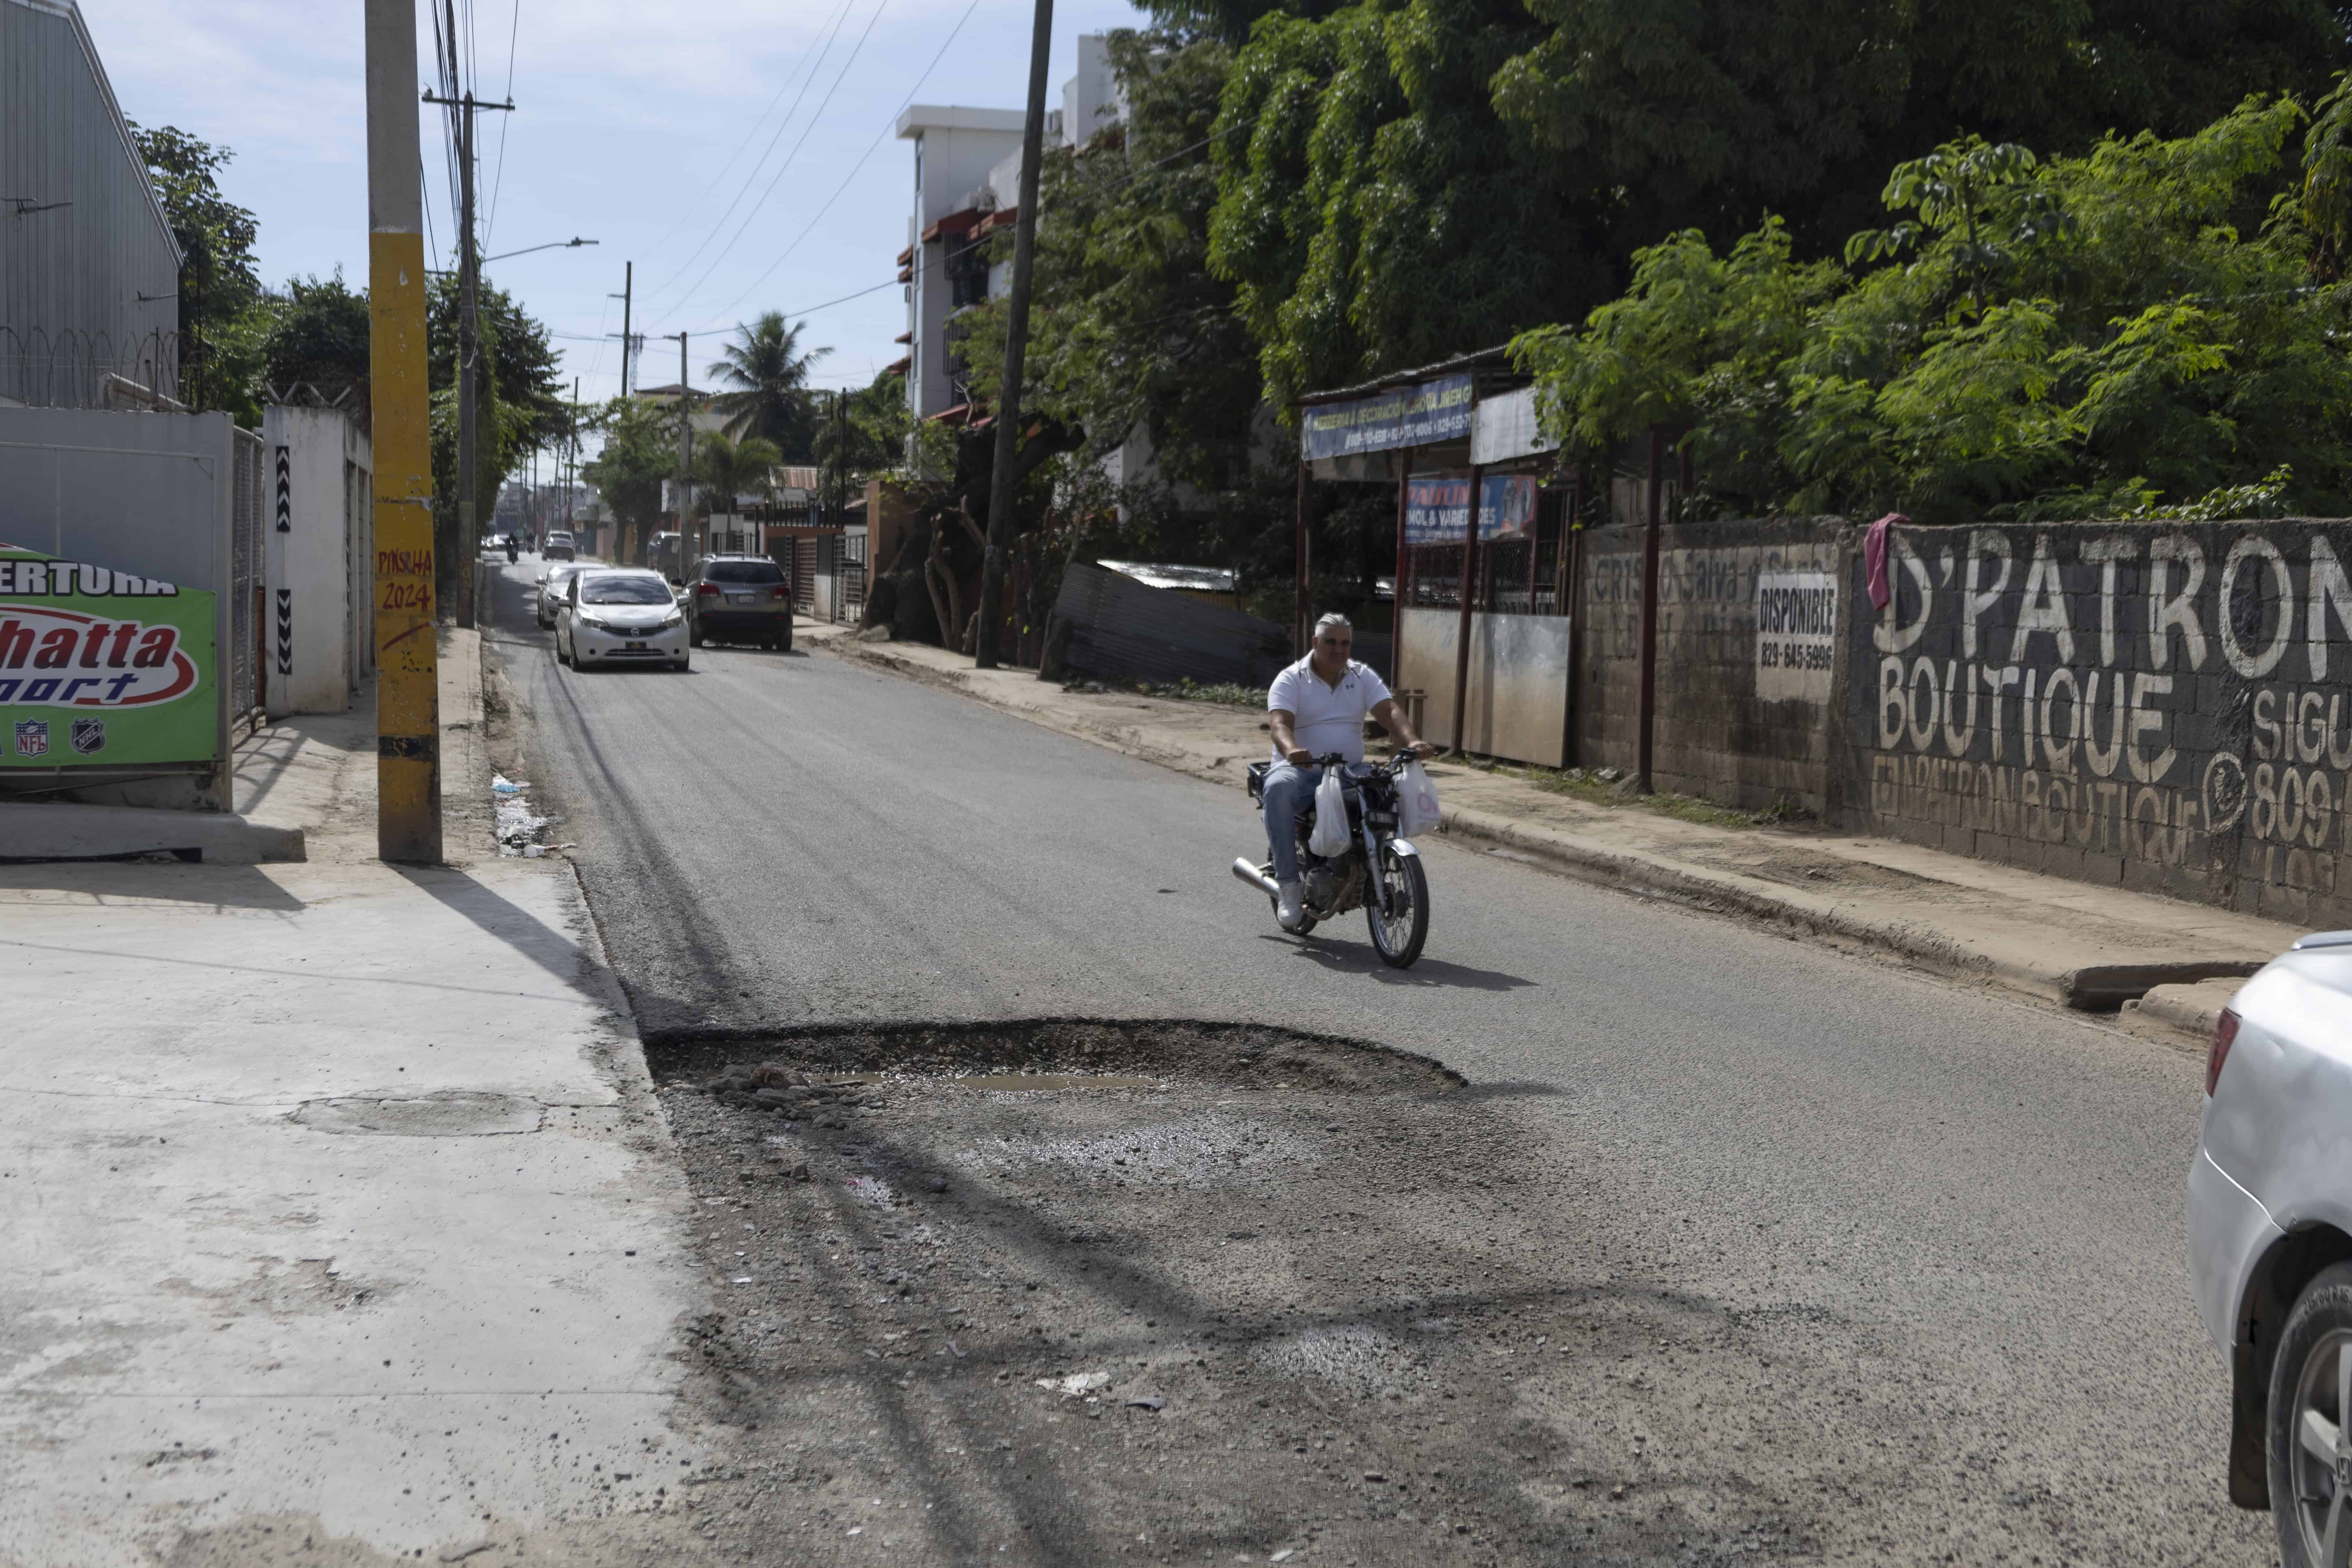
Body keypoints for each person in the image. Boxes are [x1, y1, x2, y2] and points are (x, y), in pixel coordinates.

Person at [1264, 612, 1434, 931]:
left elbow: (1391, 711)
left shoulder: (1361, 675)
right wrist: (1292, 751)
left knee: (1385, 789)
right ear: (1315, 643)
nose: (1338, 649)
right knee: (1277, 790)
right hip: (1303, 770)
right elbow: (1279, 724)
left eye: (1345, 643)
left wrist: (1412, 741)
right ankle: (1288, 884)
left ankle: (1377, 859)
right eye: (1331, 642)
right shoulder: (1291, 679)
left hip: (1349, 769)